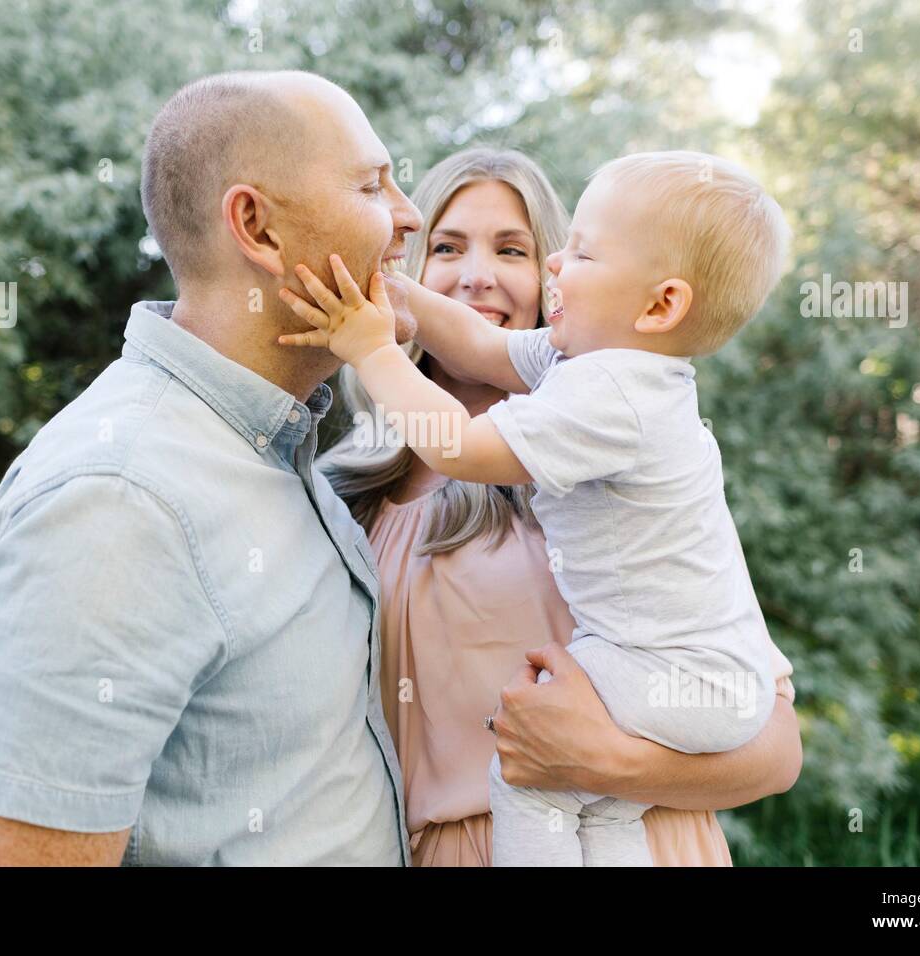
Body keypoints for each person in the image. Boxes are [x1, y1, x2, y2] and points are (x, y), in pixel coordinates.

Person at [0, 70, 423, 865]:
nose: (407, 216)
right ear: (258, 229)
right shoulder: (117, 503)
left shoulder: (280, 451)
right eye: (373, 185)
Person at [280, 150, 794, 865]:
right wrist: (389, 295)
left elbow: (458, 444)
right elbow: (479, 341)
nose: (481, 274)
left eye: (562, 253)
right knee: (600, 816)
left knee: (528, 786)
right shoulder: (576, 369)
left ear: (659, 304)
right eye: (447, 248)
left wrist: (371, 350)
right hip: (497, 835)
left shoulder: (605, 399)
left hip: (645, 775)